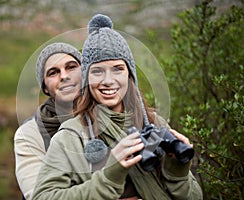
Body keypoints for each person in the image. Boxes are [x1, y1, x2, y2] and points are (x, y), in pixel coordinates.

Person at [32, 14, 203, 200]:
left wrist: (177, 173)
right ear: (86, 79)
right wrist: (109, 176)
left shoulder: (155, 122)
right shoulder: (71, 136)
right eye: (97, 71)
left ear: (130, 76)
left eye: (117, 69)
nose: (108, 81)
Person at [14, 42, 82, 200]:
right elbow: (38, 195)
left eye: (71, 67)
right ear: (45, 87)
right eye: (53, 72)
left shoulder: (108, 115)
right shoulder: (30, 134)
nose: (64, 76)